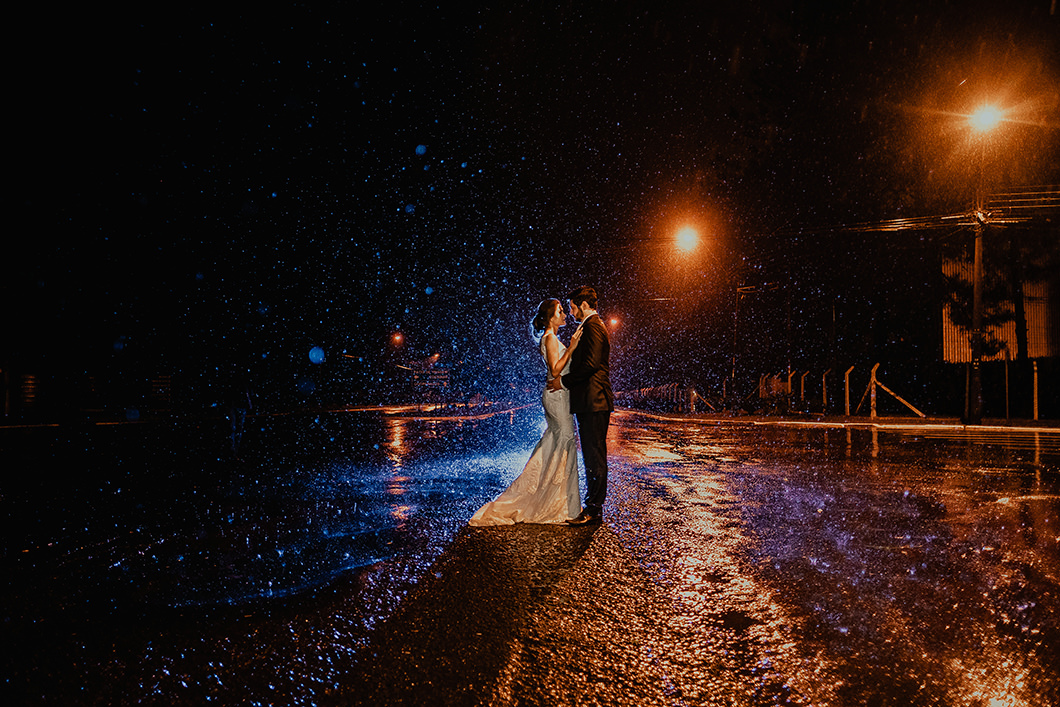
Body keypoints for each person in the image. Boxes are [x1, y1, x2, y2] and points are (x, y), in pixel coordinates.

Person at [468, 299, 584, 526]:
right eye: (561, 311)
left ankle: (558, 500)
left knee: (558, 445)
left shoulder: (552, 338)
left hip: (560, 396)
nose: (564, 315)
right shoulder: (550, 338)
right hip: (556, 396)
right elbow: (555, 369)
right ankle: (557, 503)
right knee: (564, 443)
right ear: (551, 316)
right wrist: (571, 347)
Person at [548, 286, 614, 525]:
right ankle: (593, 506)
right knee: (592, 454)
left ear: (583, 305)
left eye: (573, 306)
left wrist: (563, 381)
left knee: (594, 456)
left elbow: (591, 365)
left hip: (593, 401)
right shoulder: (590, 326)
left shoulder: (593, 326)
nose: (571, 311)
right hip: (590, 401)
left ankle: (593, 509)